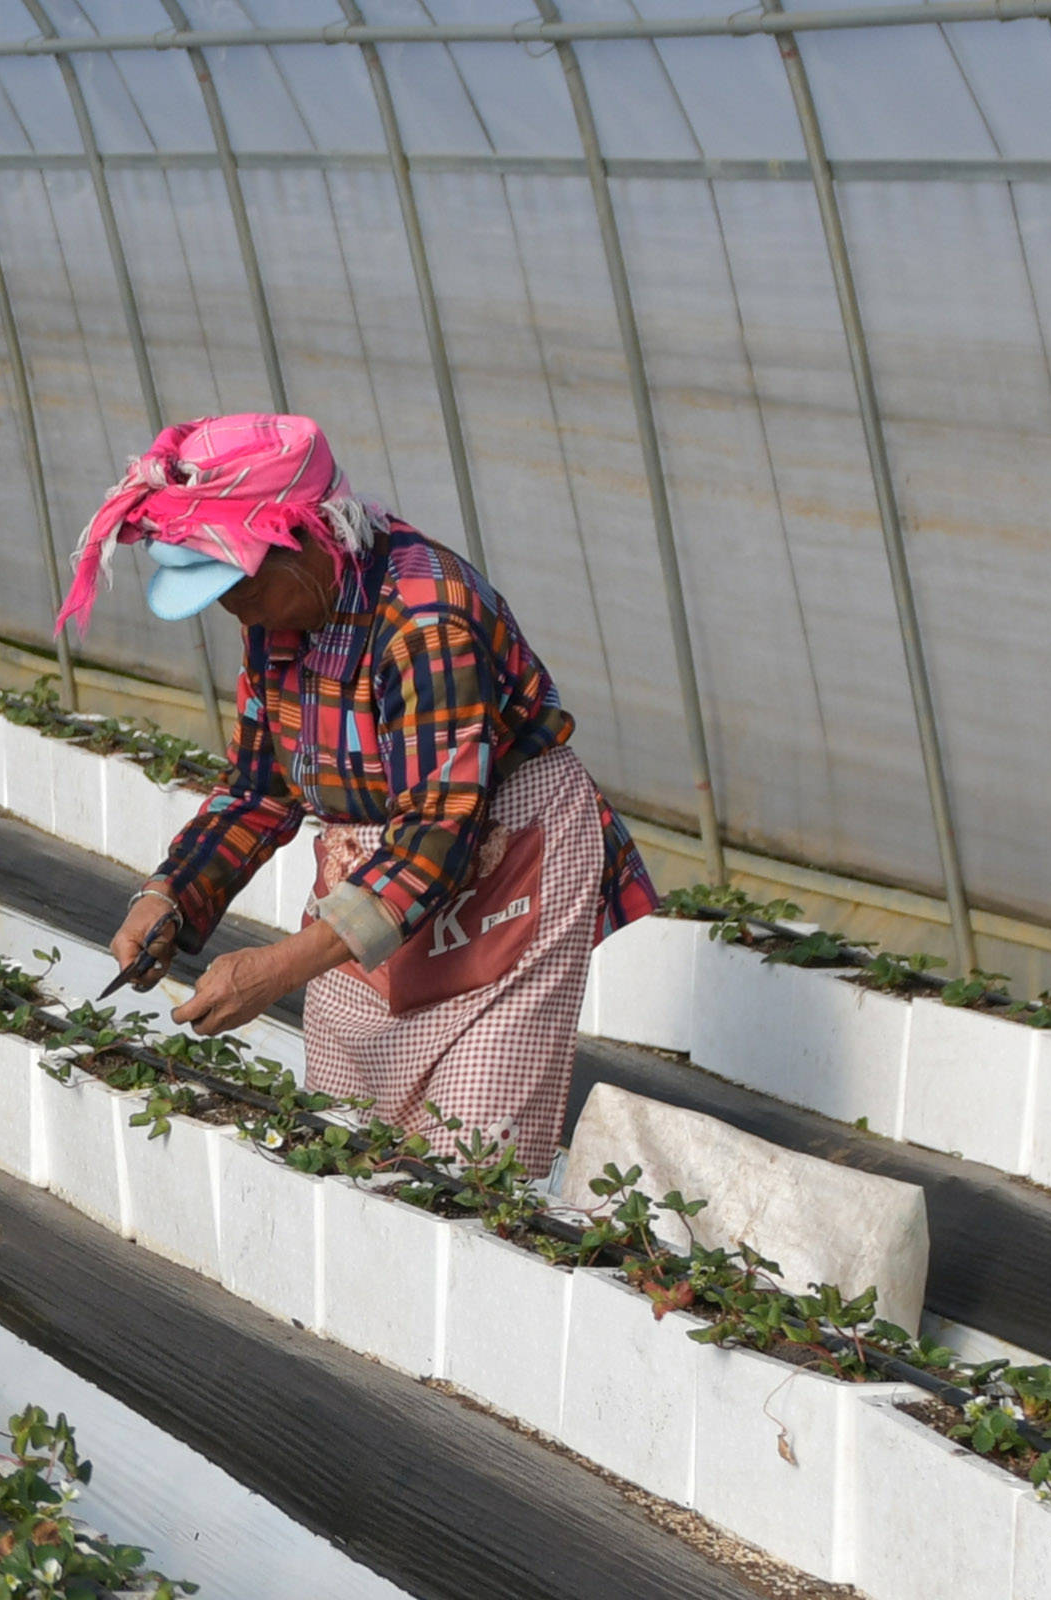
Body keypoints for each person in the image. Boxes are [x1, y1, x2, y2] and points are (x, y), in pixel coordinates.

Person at [72, 416, 657, 1171]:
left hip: (503, 858)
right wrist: (167, 898)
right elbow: (257, 787)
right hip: (373, 869)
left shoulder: (425, 618)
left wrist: (279, 966)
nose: (231, 610)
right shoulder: (278, 619)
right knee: (345, 1137)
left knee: (463, 1158)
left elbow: (437, 834)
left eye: (237, 585)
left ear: (308, 544)